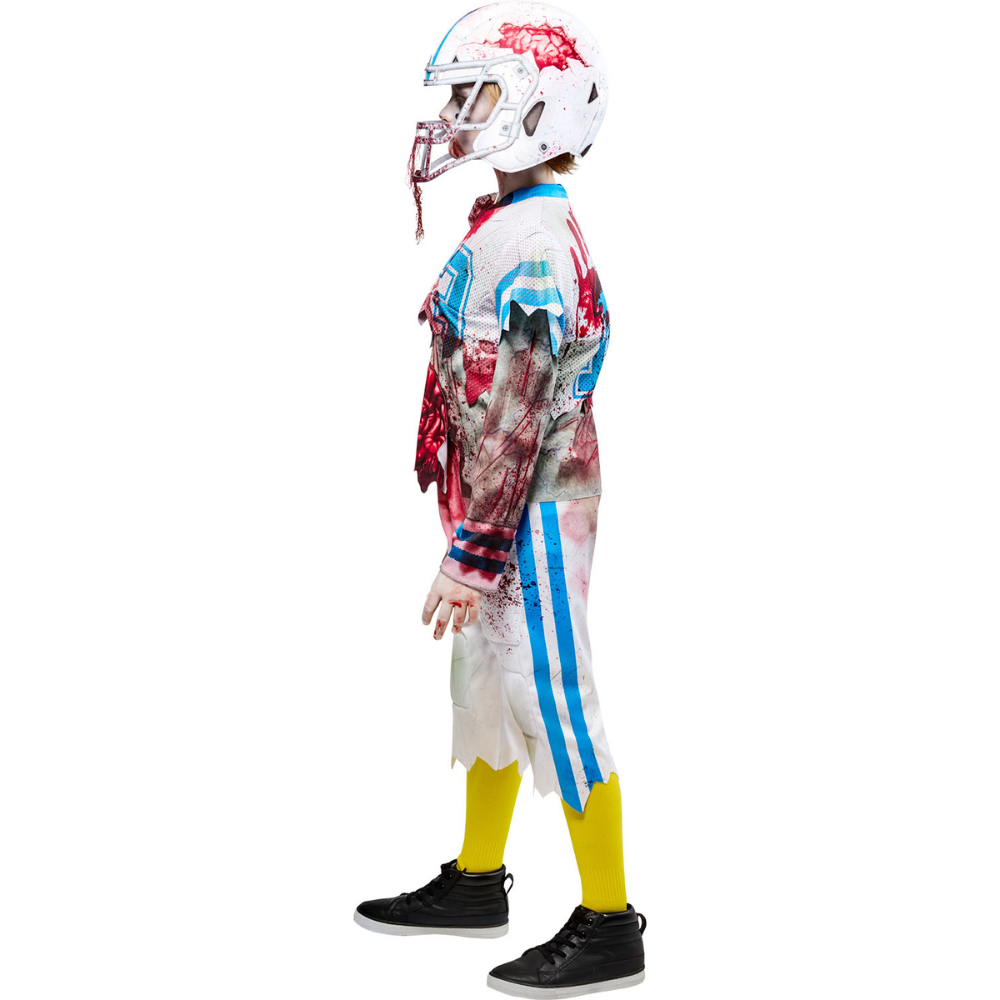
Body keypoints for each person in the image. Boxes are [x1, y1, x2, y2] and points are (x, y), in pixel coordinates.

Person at [355, 4, 646, 996]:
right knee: (484, 685)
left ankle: (609, 921)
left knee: (553, 696)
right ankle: (478, 880)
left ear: (537, 107)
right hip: (496, 502)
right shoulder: (508, 220)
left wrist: (474, 549)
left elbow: (520, 410)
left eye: (477, 96)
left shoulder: (531, 244)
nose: (455, 116)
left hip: (534, 511)